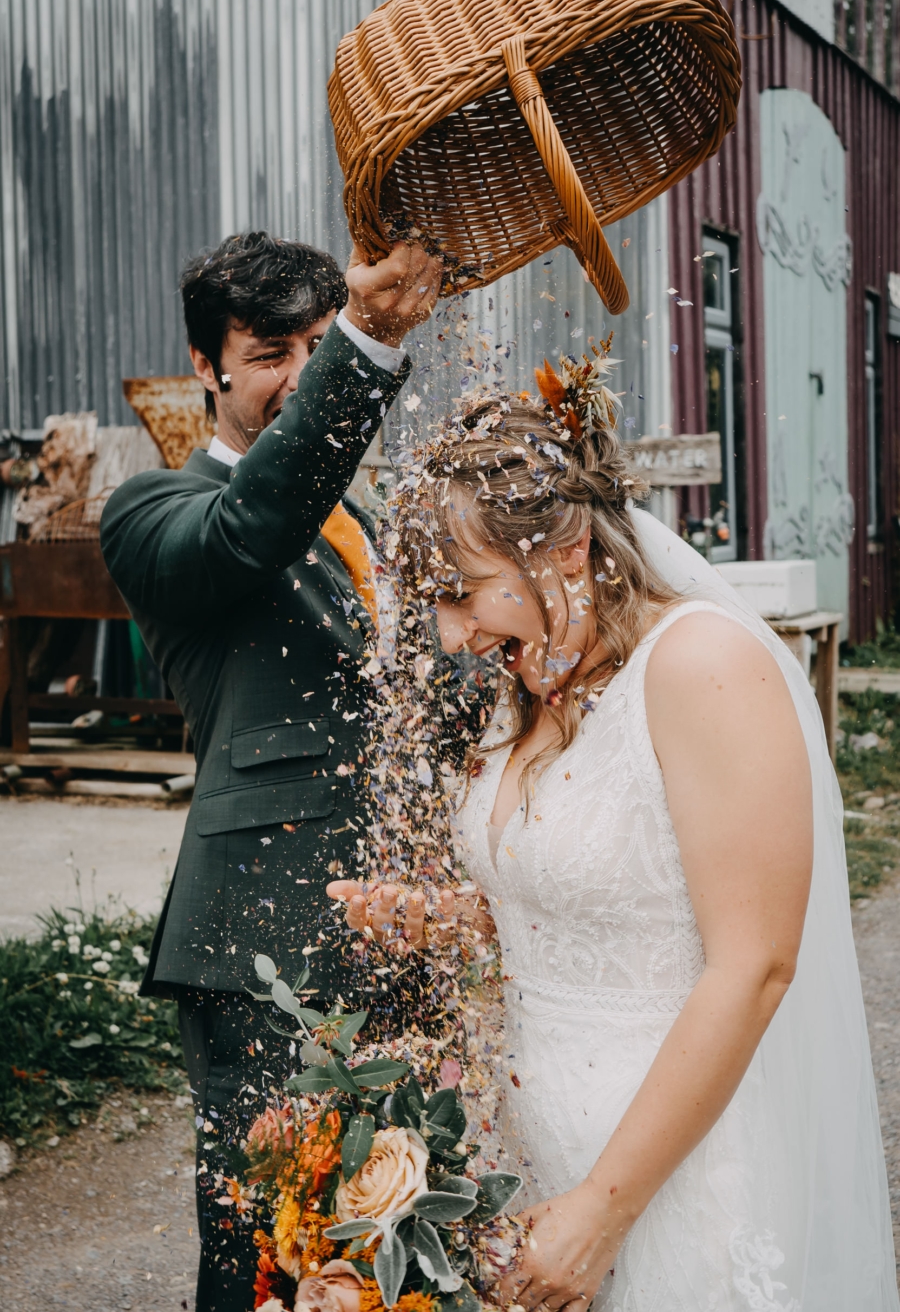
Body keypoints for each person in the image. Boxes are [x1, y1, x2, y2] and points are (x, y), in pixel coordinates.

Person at [341, 356, 899, 1310]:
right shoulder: (532, 690)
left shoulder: (702, 666)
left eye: (465, 591)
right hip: (536, 1159)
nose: (448, 635)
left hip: (674, 1179)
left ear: (562, 553)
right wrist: (451, 917)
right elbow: (593, 909)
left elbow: (754, 964)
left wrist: (604, 1207)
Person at [100, 231, 442, 1311]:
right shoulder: (154, 515)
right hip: (264, 943)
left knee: (399, 1242)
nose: (299, 372)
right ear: (206, 368)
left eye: (314, 343)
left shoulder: (370, 519)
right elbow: (257, 527)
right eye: (271, 351)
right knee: (264, 1259)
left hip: (400, 933)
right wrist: (363, 342)